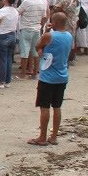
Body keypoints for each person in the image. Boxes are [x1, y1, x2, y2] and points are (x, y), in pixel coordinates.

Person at [30, 11, 73, 146]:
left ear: (54, 22)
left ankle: (42, 136)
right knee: (57, 106)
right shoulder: (69, 36)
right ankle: (53, 136)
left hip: (48, 77)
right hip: (62, 75)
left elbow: (38, 46)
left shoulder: (49, 36)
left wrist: (46, 30)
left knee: (44, 107)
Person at [0, 0, 20, 88]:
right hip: (12, 35)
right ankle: (7, 81)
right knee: (8, 59)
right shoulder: (15, 11)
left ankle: (1, 81)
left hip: (2, 35)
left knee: (2, 59)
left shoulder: (1, 11)